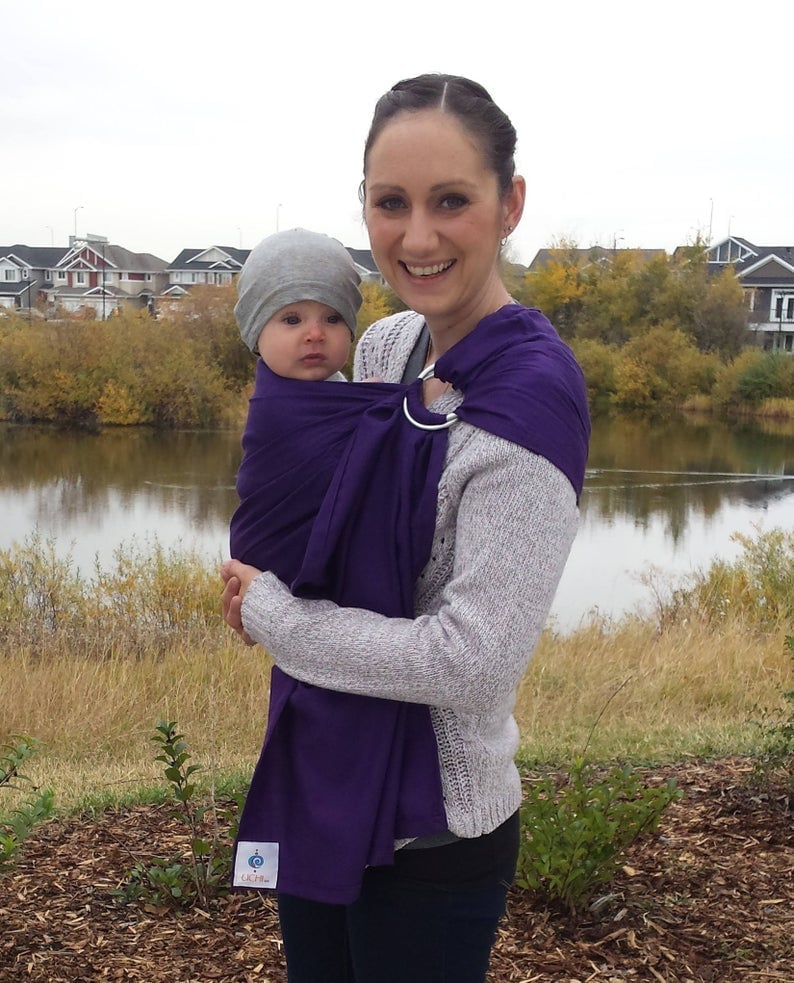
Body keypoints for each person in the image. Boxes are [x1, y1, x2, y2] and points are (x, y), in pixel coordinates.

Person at [222, 73, 591, 983]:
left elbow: (473, 662)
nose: (417, 237)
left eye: (451, 201)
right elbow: (311, 480)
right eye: (392, 203)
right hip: (325, 778)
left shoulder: (531, 401)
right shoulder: (389, 347)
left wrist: (278, 620)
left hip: (432, 834)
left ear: (510, 205)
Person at [229, 227, 450, 906]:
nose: (314, 334)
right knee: (324, 716)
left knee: (329, 711)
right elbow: (396, 426)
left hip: (309, 604)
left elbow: (374, 433)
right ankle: (323, 852)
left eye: (331, 317)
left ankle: (318, 856)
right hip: (293, 574)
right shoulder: (281, 409)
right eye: (291, 318)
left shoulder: (344, 399)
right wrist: (427, 396)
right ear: (255, 331)